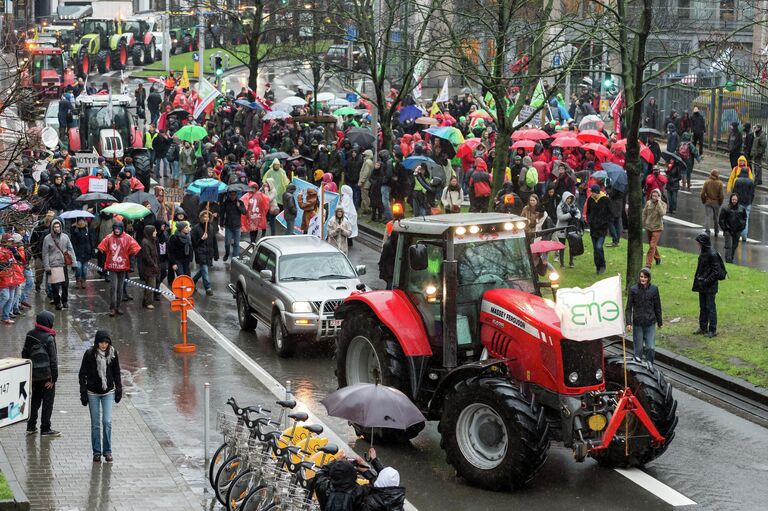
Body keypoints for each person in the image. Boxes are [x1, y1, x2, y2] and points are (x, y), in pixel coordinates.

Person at [78, 330, 122, 463]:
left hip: (108, 392)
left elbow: (117, 373)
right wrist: (83, 392)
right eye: (101, 342)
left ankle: (107, 451)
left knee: (107, 422)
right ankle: (96, 452)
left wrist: (119, 389)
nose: (104, 345)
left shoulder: (113, 354)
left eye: (106, 342)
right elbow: (82, 374)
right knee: (95, 424)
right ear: (97, 342)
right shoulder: (89, 354)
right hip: (92, 393)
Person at [22, 311, 60, 436]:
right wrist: (53, 379)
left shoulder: (30, 335)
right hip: (47, 377)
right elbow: (53, 360)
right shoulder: (49, 337)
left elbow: (25, 355)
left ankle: (31, 426)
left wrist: (29, 374)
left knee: (35, 401)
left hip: (34, 376)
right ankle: (45, 428)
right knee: (47, 403)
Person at [97, 221, 141, 317]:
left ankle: (118, 306)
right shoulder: (109, 238)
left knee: (120, 288)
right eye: (115, 228)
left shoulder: (128, 238)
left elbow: (133, 251)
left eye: (119, 228)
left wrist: (132, 266)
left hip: (123, 267)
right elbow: (102, 251)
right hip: (112, 267)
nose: (117, 230)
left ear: (122, 228)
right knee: (114, 287)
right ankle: (112, 307)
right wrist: (104, 265)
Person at [625, 268, 663, 364]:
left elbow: (657, 306)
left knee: (650, 347)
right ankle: (638, 366)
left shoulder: (654, 289)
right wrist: (628, 322)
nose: (643, 279)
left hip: (650, 323)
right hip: (638, 324)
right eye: (641, 277)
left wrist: (660, 322)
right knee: (638, 349)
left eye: (645, 277)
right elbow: (628, 308)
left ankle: (649, 365)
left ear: (649, 278)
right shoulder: (633, 289)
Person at [693, 233, 724, 338]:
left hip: (710, 286)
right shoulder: (703, 252)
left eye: (699, 243)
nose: (698, 245)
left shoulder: (712, 254)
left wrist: (705, 281)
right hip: (703, 285)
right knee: (703, 307)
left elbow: (716, 272)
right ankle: (703, 327)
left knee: (710, 307)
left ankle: (712, 329)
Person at [42, 219, 76, 310]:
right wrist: (47, 267)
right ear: (52, 227)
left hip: (63, 263)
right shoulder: (47, 238)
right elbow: (45, 253)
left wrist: (74, 263)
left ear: (61, 227)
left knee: (65, 285)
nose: (57, 228)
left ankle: (65, 300)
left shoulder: (65, 237)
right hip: (53, 265)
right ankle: (57, 302)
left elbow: (71, 249)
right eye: (55, 227)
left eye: (58, 227)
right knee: (55, 286)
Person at [585, 184, 611, 274]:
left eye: (592, 192)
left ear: (596, 192)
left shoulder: (605, 200)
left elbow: (610, 213)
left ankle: (603, 265)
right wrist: (589, 220)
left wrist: (605, 223)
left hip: (602, 229)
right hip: (593, 228)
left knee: (599, 247)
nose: (591, 194)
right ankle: (598, 266)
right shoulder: (590, 200)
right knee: (595, 249)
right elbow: (588, 212)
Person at [192, 210, 218, 295]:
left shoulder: (211, 227)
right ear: (201, 217)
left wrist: (216, 253)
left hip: (209, 252)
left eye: (207, 217)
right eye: (204, 216)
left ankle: (192, 281)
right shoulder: (196, 228)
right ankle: (208, 288)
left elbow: (214, 241)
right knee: (205, 270)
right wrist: (201, 239)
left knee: (203, 270)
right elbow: (194, 243)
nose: (206, 218)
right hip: (200, 252)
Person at [718, 193, 747, 264]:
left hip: (737, 231)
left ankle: (731, 258)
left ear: (737, 200)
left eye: (735, 200)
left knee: (734, 246)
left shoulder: (741, 209)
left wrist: (741, 228)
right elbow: (721, 220)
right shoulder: (725, 208)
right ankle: (728, 261)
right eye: (733, 199)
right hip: (728, 231)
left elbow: (744, 219)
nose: (734, 201)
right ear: (731, 199)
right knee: (729, 246)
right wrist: (725, 229)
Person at [731, 161, 755, 242]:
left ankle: (737, 234)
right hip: (747, 202)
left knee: (738, 218)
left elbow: (734, 192)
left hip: (739, 202)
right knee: (746, 219)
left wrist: (734, 202)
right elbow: (752, 193)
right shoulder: (751, 182)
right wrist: (750, 202)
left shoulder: (738, 180)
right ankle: (744, 236)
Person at [555, 191, 580, 269]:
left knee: (572, 246)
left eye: (570, 198)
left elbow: (578, 214)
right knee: (562, 247)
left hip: (571, 228)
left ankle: (571, 262)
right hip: (562, 228)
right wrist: (570, 214)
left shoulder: (573, 206)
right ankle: (562, 263)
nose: (569, 200)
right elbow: (560, 217)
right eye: (567, 198)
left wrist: (574, 216)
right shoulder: (560, 207)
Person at [642, 188, 667, 266]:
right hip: (649, 227)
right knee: (652, 245)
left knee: (652, 246)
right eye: (653, 196)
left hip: (658, 227)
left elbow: (662, 213)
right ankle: (657, 258)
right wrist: (643, 223)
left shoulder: (663, 204)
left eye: (656, 196)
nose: (654, 197)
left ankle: (648, 264)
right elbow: (644, 213)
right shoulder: (648, 203)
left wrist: (659, 202)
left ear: (659, 196)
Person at [220, 190, 247, 261]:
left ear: (236, 195)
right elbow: (222, 213)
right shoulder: (226, 203)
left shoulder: (240, 202)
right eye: (231, 195)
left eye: (234, 195)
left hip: (237, 226)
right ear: (229, 195)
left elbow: (244, 212)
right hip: (228, 226)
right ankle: (227, 253)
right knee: (227, 243)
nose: (232, 196)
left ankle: (235, 259)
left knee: (236, 243)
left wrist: (239, 207)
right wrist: (221, 223)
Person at [139, 225, 160, 309]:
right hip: (148, 268)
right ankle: (148, 302)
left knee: (150, 285)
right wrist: (153, 265)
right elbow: (147, 256)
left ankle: (146, 300)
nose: (156, 232)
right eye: (154, 231)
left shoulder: (152, 241)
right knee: (151, 285)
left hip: (152, 266)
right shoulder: (145, 242)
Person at [70, 217, 93, 289]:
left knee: (84, 269)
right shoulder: (74, 229)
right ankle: (77, 280)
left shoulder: (87, 229)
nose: (81, 222)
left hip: (86, 253)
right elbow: (73, 242)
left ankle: (83, 280)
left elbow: (91, 240)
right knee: (79, 268)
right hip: (78, 253)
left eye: (82, 220)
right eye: (79, 221)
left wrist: (92, 251)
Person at [700, 169, 724, 238]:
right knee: (716, 218)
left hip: (708, 201)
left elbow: (702, 193)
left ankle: (707, 230)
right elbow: (721, 195)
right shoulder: (720, 183)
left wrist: (704, 200)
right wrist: (720, 202)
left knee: (708, 216)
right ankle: (716, 231)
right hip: (716, 202)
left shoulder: (707, 182)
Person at [359, 149, 375, 215]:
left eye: (364, 154)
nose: (363, 156)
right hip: (367, 182)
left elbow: (365, 173)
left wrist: (361, 181)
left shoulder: (367, 162)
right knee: (365, 196)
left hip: (365, 183)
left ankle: (367, 210)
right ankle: (364, 209)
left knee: (365, 197)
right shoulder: (370, 161)